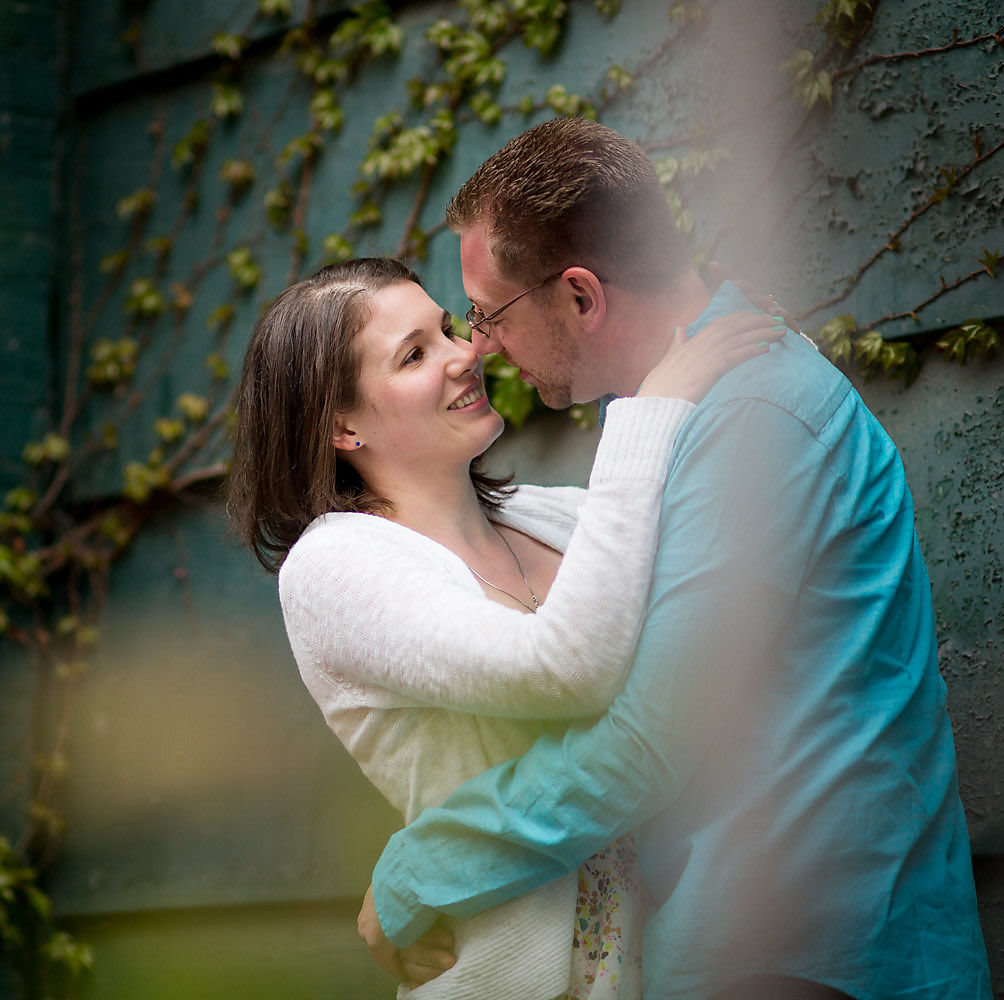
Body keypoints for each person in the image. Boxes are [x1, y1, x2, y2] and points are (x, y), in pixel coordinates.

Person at [357, 118, 992, 1000]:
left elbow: (650, 739)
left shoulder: (755, 419)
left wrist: (417, 870)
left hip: (808, 954)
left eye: (487, 315)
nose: (482, 346)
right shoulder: (706, 409)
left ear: (581, 296)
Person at [227, 255, 779, 999]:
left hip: (678, 956)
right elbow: (566, 667)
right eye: (415, 354)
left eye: (450, 329)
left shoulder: (549, 516)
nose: (467, 355)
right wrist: (650, 409)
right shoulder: (333, 567)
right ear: (342, 425)